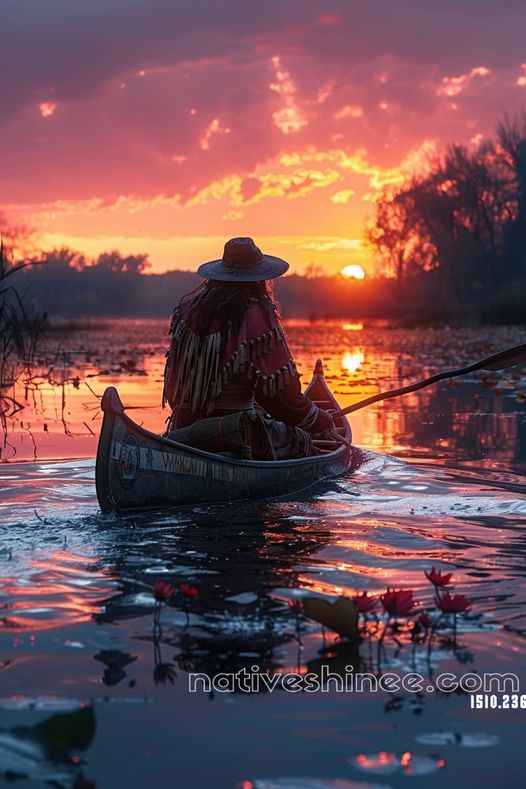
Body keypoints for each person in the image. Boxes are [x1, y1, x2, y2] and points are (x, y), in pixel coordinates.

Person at [162, 237, 334, 459]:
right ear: (259, 280)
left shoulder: (186, 311)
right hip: (240, 435)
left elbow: (173, 388)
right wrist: (318, 419)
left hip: (183, 429)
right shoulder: (256, 316)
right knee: (301, 441)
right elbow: (284, 401)